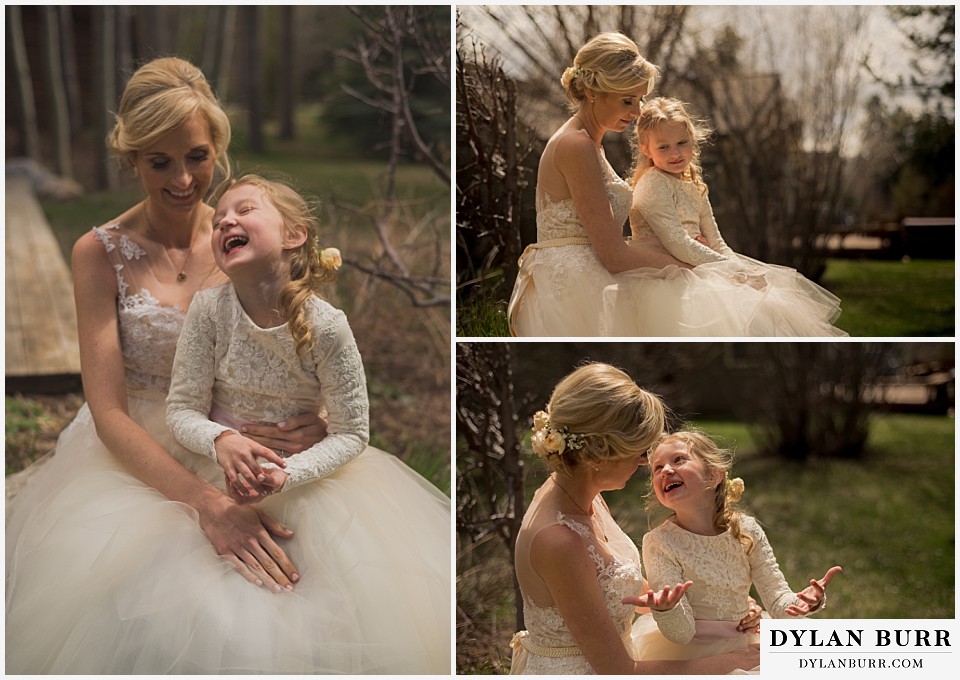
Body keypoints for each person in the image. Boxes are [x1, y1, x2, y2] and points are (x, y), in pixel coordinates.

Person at [4, 57, 440, 674]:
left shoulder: (249, 240)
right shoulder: (98, 253)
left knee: (317, 596)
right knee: (170, 607)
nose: (183, 179)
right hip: (146, 446)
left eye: (197, 156)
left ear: (217, 149)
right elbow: (107, 411)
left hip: (265, 451)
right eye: (159, 162)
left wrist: (312, 419)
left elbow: (307, 349)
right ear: (132, 159)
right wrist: (206, 506)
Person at [165, 174, 450, 672]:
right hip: (220, 467)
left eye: (245, 209)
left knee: (315, 604)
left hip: (304, 478)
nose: (226, 220)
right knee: (202, 599)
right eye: (219, 220)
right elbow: (182, 408)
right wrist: (222, 439)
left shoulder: (326, 325)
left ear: (294, 234)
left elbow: (352, 431)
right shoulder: (210, 310)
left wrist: (288, 474)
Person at [509, 363, 761, 674]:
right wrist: (728, 662)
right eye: (641, 454)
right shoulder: (559, 540)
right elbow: (619, 671)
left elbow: (625, 593)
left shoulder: (582, 495)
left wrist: (724, 611)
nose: (645, 464)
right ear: (600, 455)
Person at [603, 97, 849, 336]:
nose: (675, 153)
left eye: (682, 143)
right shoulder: (654, 183)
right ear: (646, 149)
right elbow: (678, 242)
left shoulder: (694, 185)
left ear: (692, 141)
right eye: (663, 147)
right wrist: (730, 271)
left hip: (697, 262)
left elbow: (716, 239)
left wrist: (740, 269)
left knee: (762, 299)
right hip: (663, 272)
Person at [507, 33, 692, 337]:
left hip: (594, 273)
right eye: (627, 100)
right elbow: (615, 255)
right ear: (594, 93)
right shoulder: (575, 145)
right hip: (575, 286)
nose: (637, 112)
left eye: (641, 99)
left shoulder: (591, 144)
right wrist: (685, 268)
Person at [635, 430, 842, 663]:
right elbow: (681, 634)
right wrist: (666, 609)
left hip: (747, 641)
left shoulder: (746, 530)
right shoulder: (660, 542)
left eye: (679, 460)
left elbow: (777, 603)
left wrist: (803, 602)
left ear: (713, 476)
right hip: (693, 654)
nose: (666, 470)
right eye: (657, 468)